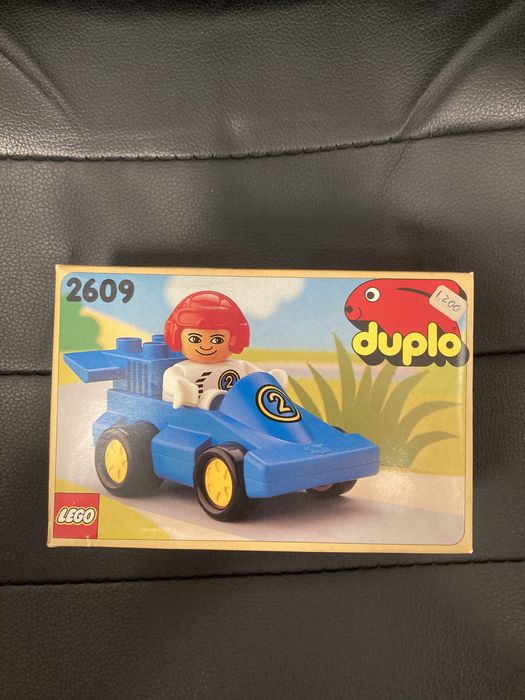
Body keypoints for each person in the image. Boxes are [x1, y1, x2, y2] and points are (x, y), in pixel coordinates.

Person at [162, 290, 287, 409]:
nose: (206, 346)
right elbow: (171, 380)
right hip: (199, 412)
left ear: (235, 339)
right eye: (195, 339)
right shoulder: (182, 370)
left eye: (217, 340)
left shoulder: (240, 366)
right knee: (211, 397)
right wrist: (179, 386)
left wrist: (269, 380)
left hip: (240, 412)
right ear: (176, 337)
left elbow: (257, 377)